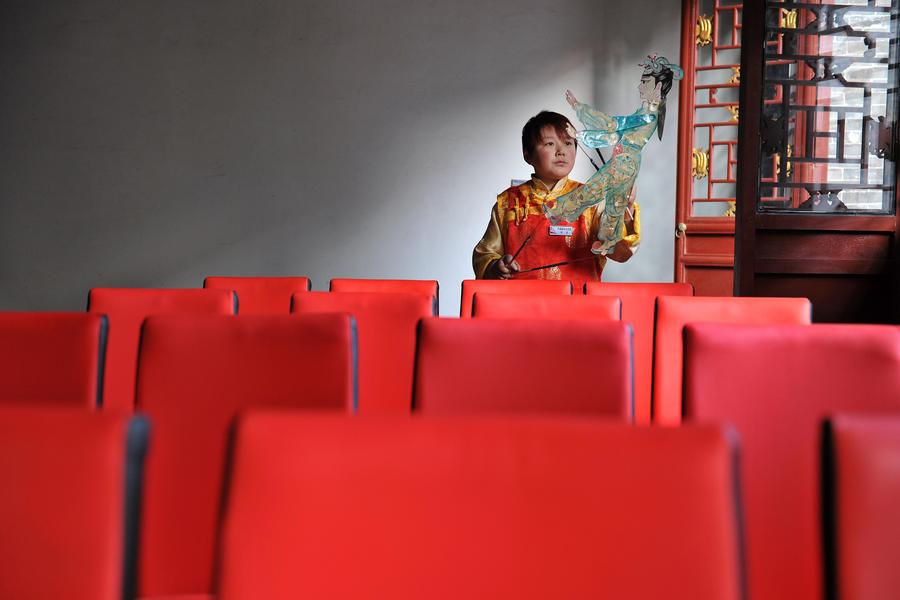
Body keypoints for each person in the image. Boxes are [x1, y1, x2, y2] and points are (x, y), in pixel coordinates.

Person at [472, 110, 640, 286]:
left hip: (578, 306)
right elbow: (485, 253)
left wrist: (623, 207)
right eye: (550, 144)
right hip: (520, 305)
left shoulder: (592, 200)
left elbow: (621, 252)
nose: (561, 151)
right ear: (527, 154)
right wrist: (495, 266)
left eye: (568, 143)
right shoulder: (508, 202)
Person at [546, 55, 683, 255]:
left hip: (624, 162)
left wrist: (579, 118)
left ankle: (558, 211)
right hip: (628, 161)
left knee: (595, 189)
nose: (639, 87)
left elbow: (612, 125)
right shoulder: (644, 114)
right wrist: (583, 134)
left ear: (657, 87)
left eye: (645, 82)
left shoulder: (646, 116)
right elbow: (613, 136)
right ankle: (608, 241)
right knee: (615, 203)